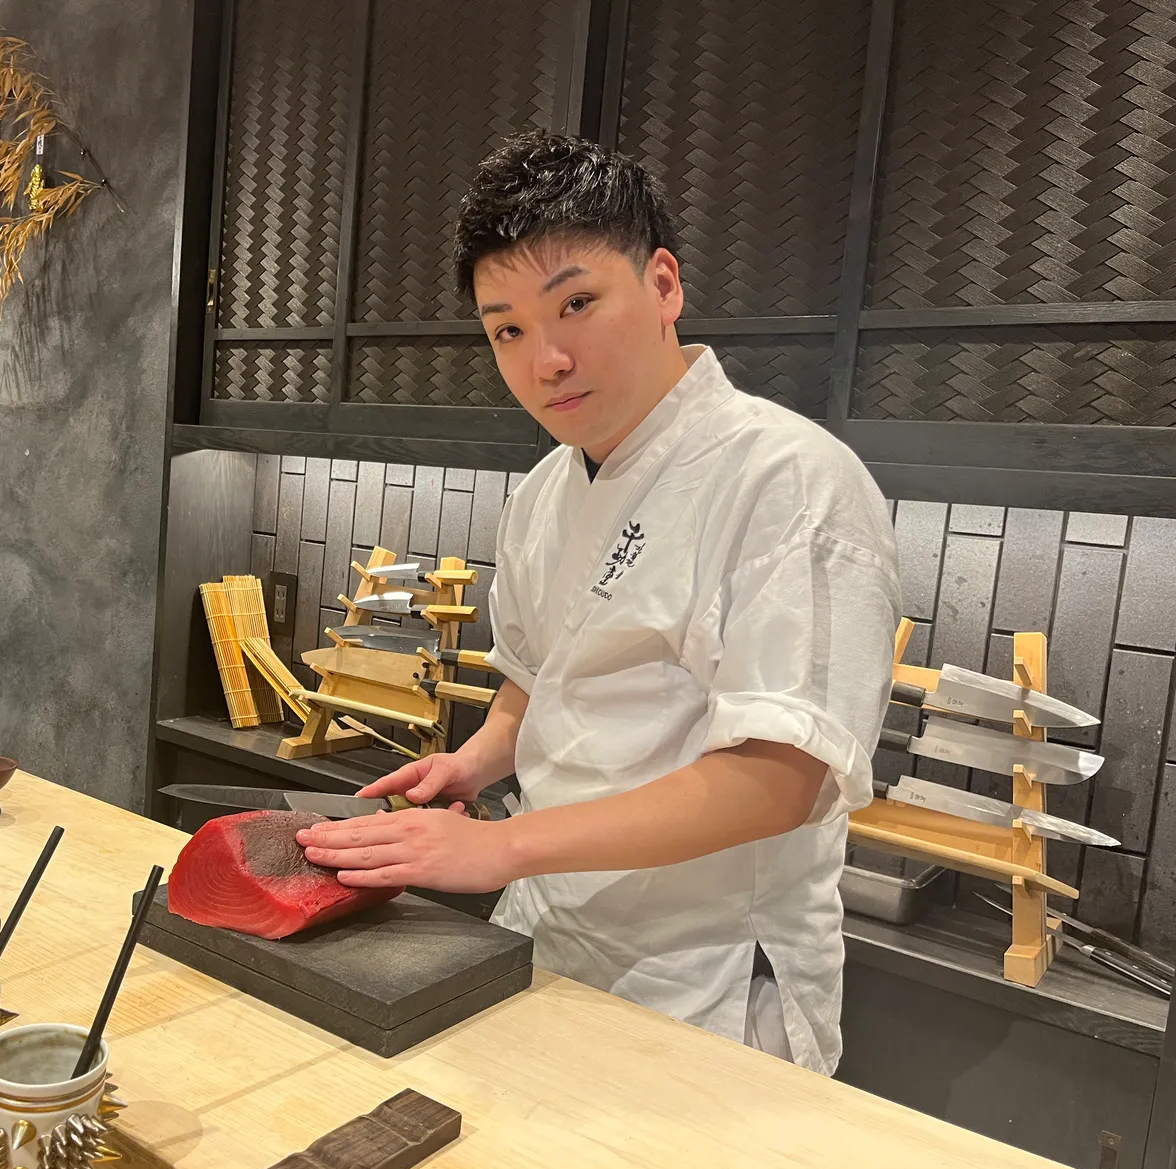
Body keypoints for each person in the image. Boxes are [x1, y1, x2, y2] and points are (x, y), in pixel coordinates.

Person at [296, 131, 901, 1074]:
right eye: (508, 329)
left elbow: (784, 778)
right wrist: (474, 763)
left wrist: (501, 850)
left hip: (705, 983)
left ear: (663, 284)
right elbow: (537, 685)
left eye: (576, 304)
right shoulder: (542, 492)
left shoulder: (792, 479)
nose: (547, 361)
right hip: (548, 932)